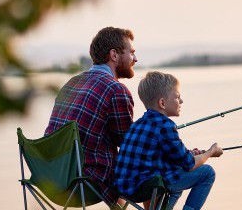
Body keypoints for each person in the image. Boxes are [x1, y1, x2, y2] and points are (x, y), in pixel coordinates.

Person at [45, 27, 137, 207]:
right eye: (131, 53)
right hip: (84, 182)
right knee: (154, 169)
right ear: (114, 55)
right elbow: (129, 146)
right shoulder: (116, 89)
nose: (135, 58)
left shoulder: (71, 82)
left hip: (52, 178)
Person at [114, 71, 223, 210]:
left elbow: (162, 153)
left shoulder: (138, 124)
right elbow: (189, 164)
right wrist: (210, 151)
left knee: (177, 170)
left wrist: (191, 153)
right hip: (147, 187)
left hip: (125, 188)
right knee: (207, 172)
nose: (181, 101)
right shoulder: (166, 125)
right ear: (162, 103)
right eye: (177, 97)